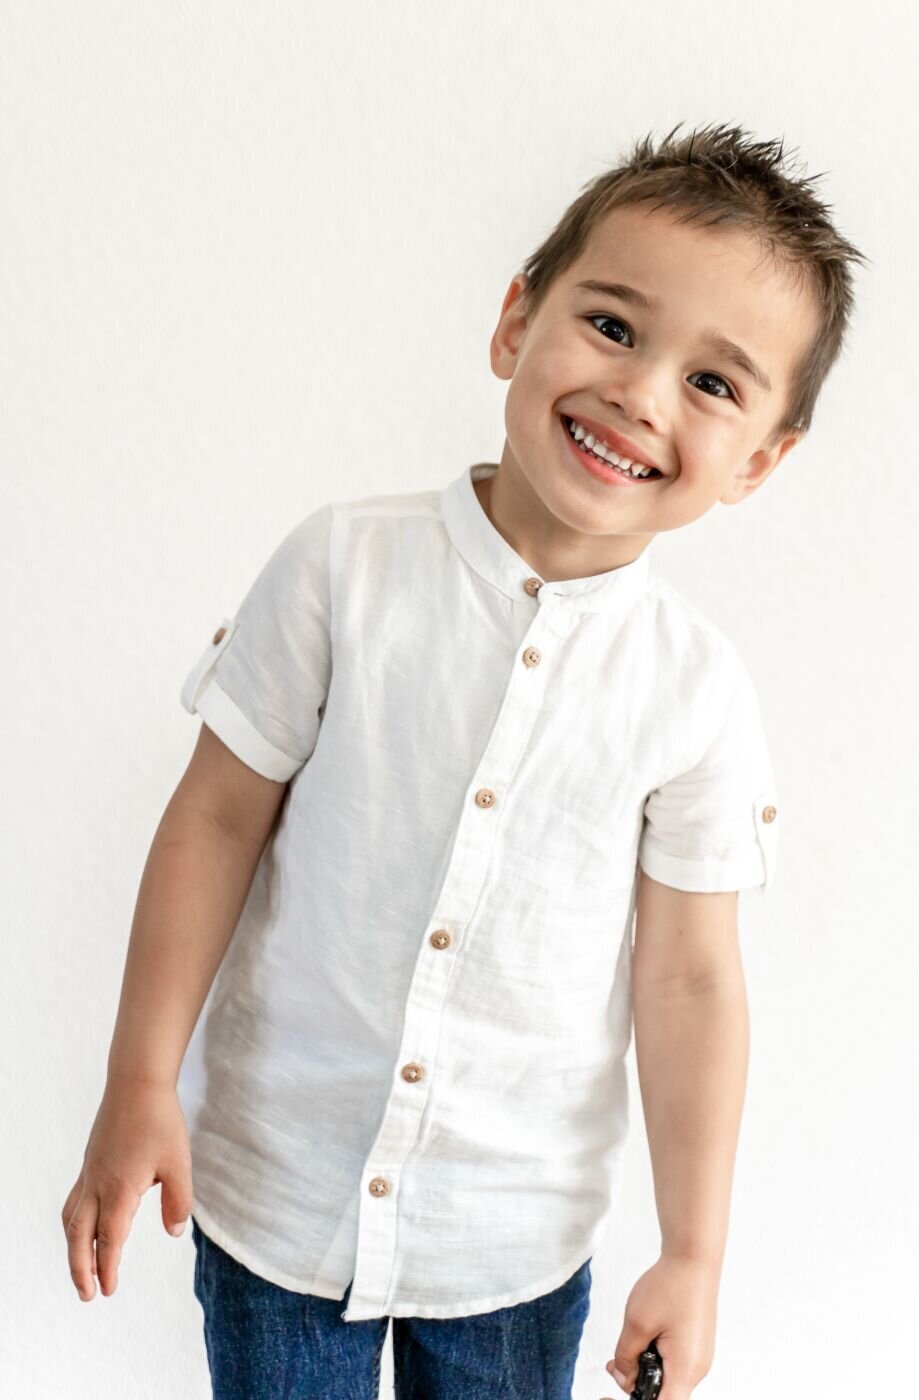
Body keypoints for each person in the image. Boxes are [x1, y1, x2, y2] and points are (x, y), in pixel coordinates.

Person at [62, 122, 866, 1399]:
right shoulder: (343, 566)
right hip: (278, 1198)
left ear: (761, 461)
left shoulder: (697, 691)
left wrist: (695, 1249)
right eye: (612, 326)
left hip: (512, 1246)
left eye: (714, 384)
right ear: (515, 322)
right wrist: (135, 1080)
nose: (643, 394)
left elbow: (690, 979)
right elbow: (215, 819)